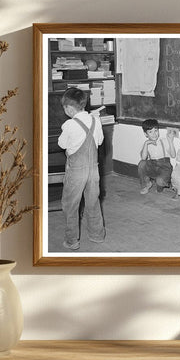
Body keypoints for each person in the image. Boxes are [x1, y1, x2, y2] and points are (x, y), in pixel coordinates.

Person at [58, 87, 106, 250]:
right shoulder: (95, 120)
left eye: (65, 109)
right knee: (93, 202)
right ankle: (97, 235)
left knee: (71, 205)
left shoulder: (69, 124)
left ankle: (72, 240)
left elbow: (62, 144)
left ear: (69, 108)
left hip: (76, 172)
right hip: (93, 171)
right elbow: (98, 142)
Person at [138, 119, 176, 194]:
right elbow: (143, 158)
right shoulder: (146, 144)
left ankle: (161, 185)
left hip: (164, 167)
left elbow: (173, 155)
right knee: (142, 164)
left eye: (156, 130)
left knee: (160, 182)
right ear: (146, 134)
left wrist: (171, 141)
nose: (154, 134)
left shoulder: (163, 141)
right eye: (150, 132)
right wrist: (146, 144)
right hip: (152, 165)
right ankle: (146, 184)